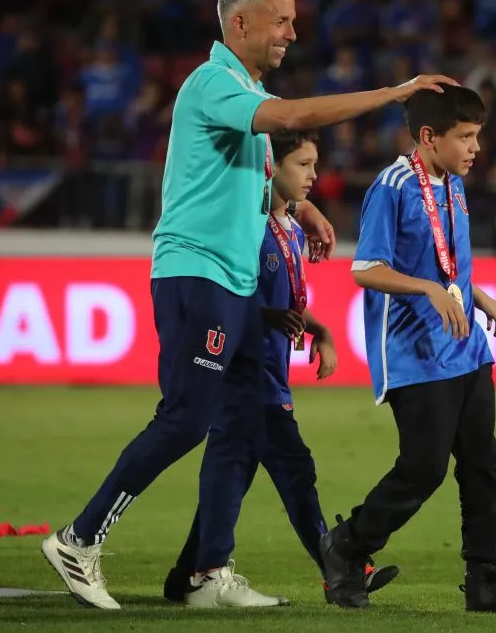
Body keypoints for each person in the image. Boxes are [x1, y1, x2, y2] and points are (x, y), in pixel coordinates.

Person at [41, 0, 457, 610]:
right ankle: (79, 537)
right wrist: (394, 93)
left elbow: (248, 178)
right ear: (240, 23)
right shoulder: (215, 84)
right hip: (197, 270)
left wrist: (302, 208)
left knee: (243, 425)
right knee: (186, 418)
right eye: (282, 20)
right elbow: (293, 116)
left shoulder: (242, 89)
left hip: (233, 282)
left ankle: (207, 574)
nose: (292, 32)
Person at [317, 85, 496, 615]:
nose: (475, 148)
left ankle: (485, 580)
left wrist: (478, 295)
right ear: (428, 137)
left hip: (465, 346)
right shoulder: (392, 186)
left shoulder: (453, 184)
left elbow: (444, 262)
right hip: (413, 352)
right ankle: (346, 546)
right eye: (464, 137)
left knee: (483, 466)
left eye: (477, 136)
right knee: (424, 469)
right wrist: (429, 290)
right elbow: (365, 268)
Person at [161, 131, 401, 606]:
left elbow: (283, 302)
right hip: (237, 370)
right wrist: (268, 318)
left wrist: (320, 330)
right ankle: (339, 566)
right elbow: (227, 298)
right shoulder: (245, 227)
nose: (315, 176)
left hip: (269, 372)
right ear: (271, 168)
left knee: (239, 470)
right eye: (304, 165)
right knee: (288, 469)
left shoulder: (290, 229)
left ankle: (188, 574)